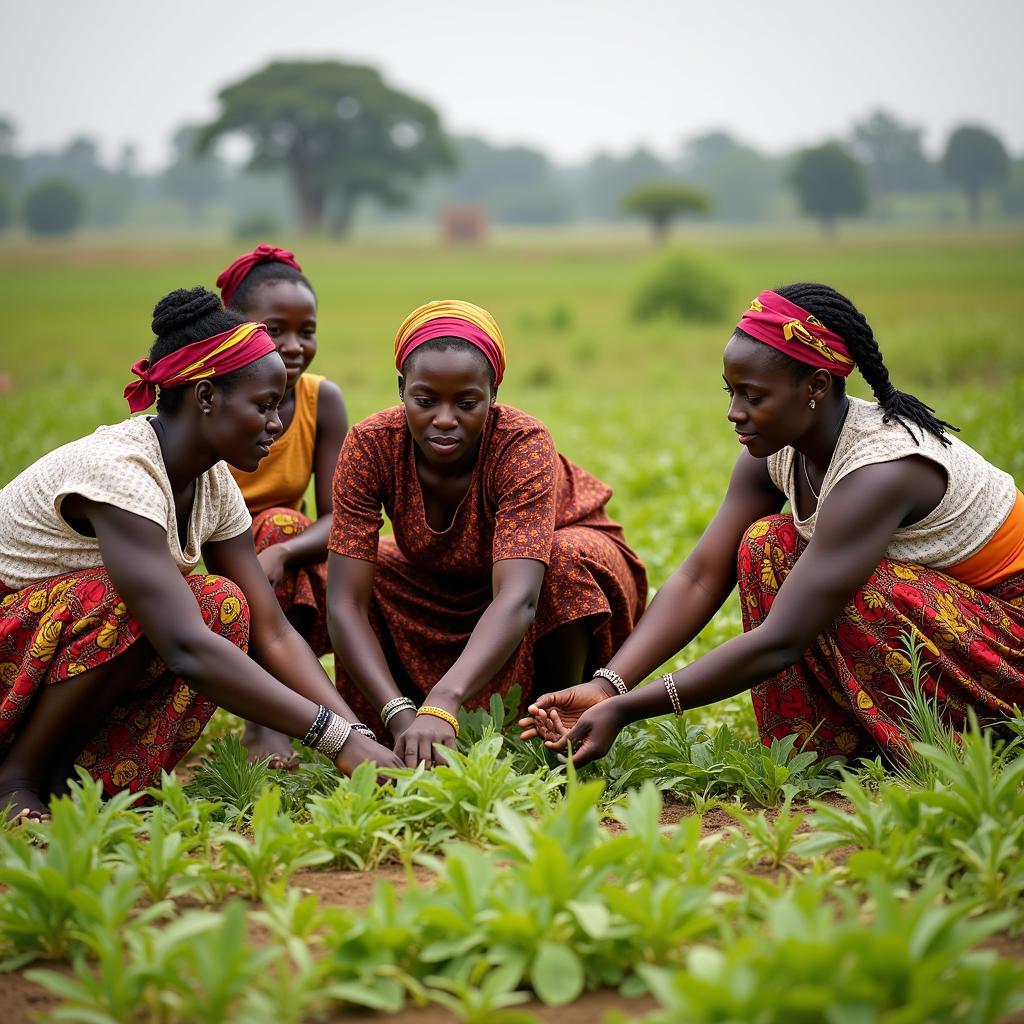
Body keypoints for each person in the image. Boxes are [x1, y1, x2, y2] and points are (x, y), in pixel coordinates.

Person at [520, 283, 1024, 766]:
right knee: (767, 544)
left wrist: (627, 710)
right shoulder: (776, 454)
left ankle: (954, 741)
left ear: (816, 386)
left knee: (856, 586)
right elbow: (700, 576)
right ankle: (823, 748)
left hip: (1009, 635)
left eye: (753, 396)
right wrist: (608, 686)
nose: (734, 413)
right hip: (956, 619)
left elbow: (783, 638)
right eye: (731, 392)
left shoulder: (880, 470)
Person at [0, 287, 400, 822]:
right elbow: (187, 647)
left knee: (223, 605)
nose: (276, 424)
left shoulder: (211, 482)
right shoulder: (121, 471)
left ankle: (71, 776)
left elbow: (272, 630)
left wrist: (356, 736)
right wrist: (336, 741)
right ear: (206, 396)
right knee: (124, 601)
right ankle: (16, 777)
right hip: (14, 640)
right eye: (263, 406)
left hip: (45, 651)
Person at [327, 299, 648, 767]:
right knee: (347, 572)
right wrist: (400, 714)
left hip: (535, 576)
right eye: (425, 400)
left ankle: (553, 720)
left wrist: (444, 699)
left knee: (565, 557)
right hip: (437, 583)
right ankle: (396, 725)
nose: (443, 418)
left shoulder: (521, 443)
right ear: (401, 390)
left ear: (493, 394)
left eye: (467, 403)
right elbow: (346, 602)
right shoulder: (371, 445)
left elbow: (519, 597)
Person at [216, 244, 348, 766]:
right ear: (233, 328)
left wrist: (283, 554)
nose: (294, 346)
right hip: (210, 548)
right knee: (278, 527)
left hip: (279, 553)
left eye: (306, 331)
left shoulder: (321, 400)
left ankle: (294, 712)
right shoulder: (214, 398)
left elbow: (338, 515)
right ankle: (265, 722)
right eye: (275, 330)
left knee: (287, 528)